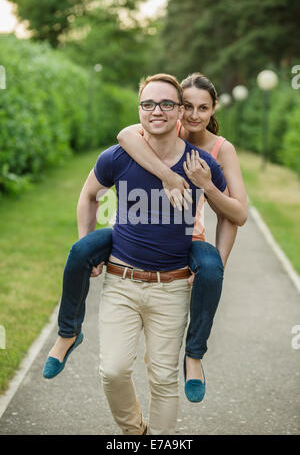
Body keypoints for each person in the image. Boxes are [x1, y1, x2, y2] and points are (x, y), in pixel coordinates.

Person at [43, 72, 246, 407]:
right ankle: (68, 333)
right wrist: (168, 175)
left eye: (203, 108)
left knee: (210, 272)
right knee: (81, 251)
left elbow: (236, 215)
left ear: (213, 110)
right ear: (180, 108)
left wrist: (206, 186)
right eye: (188, 106)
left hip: (185, 239)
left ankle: (193, 357)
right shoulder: (162, 126)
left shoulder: (219, 151)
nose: (194, 115)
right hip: (134, 234)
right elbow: (124, 135)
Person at [85, 73, 228, 435]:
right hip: (122, 279)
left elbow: (233, 213)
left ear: (178, 110)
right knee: (113, 370)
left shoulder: (203, 162)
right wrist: (87, 244)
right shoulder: (121, 153)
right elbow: (91, 192)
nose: (156, 110)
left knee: (164, 378)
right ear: (140, 108)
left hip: (174, 280)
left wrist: (216, 259)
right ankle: (136, 432)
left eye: (166, 104)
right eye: (148, 103)